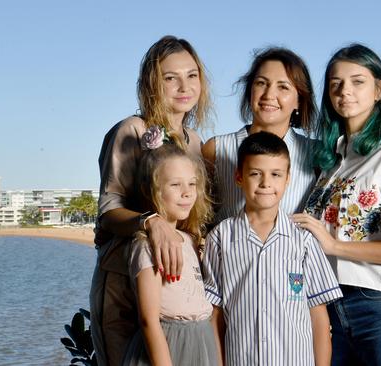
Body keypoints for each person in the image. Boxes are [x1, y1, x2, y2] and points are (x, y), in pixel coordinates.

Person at [291, 44, 381, 366]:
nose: (345, 91)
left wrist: (334, 246)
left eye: (358, 81)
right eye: (336, 84)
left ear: (379, 90)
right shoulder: (333, 162)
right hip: (334, 307)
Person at [90, 35, 212, 366]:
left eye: (192, 75)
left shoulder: (197, 143)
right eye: (170, 77)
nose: (183, 86)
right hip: (124, 281)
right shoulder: (132, 130)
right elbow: (107, 212)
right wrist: (151, 222)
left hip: (176, 287)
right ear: (152, 84)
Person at [202, 131, 342, 366]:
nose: (266, 183)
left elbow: (318, 319)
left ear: (288, 179)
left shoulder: (304, 240)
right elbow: (216, 317)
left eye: (276, 174)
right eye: (255, 173)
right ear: (239, 177)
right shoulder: (220, 238)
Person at [121, 144, 217, 366]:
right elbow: (148, 320)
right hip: (169, 344)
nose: (187, 192)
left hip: (201, 341)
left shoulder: (191, 240)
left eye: (192, 184)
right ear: (151, 189)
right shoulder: (146, 244)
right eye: (175, 184)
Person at [201, 47, 317, 224]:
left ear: (299, 100)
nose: (269, 95)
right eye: (261, 83)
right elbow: (196, 218)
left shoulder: (316, 154)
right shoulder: (216, 149)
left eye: (283, 87)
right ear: (250, 91)